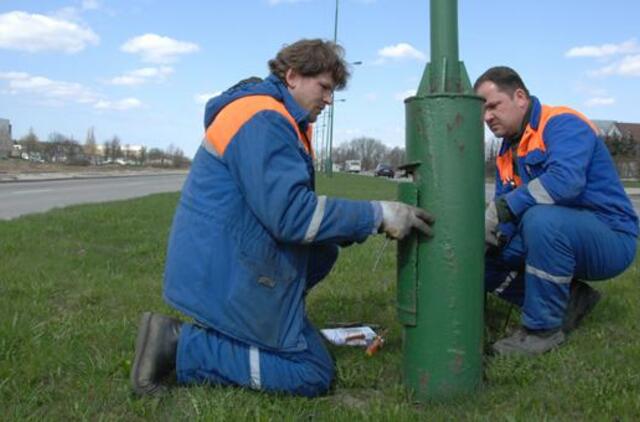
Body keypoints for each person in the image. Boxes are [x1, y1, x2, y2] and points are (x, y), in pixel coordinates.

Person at [130, 39, 435, 397]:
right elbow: (291, 214)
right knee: (310, 373)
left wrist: (357, 224)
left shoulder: (275, 115)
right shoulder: (264, 119)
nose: (328, 100)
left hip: (221, 257)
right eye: (323, 87)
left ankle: (253, 330)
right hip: (221, 269)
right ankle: (179, 346)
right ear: (291, 76)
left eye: (333, 90)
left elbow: (294, 211)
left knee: (323, 251)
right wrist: (376, 214)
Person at [475, 66, 638, 356]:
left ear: (520, 97)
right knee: (482, 259)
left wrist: (502, 209)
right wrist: (490, 238)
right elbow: (508, 216)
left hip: (611, 237)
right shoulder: (506, 151)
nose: (486, 117)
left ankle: (542, 331)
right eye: (482, 110)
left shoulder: (562, 123)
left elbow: (565, 182)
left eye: (493, 105)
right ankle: (570, 300)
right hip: (553, 235)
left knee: (542, 220)